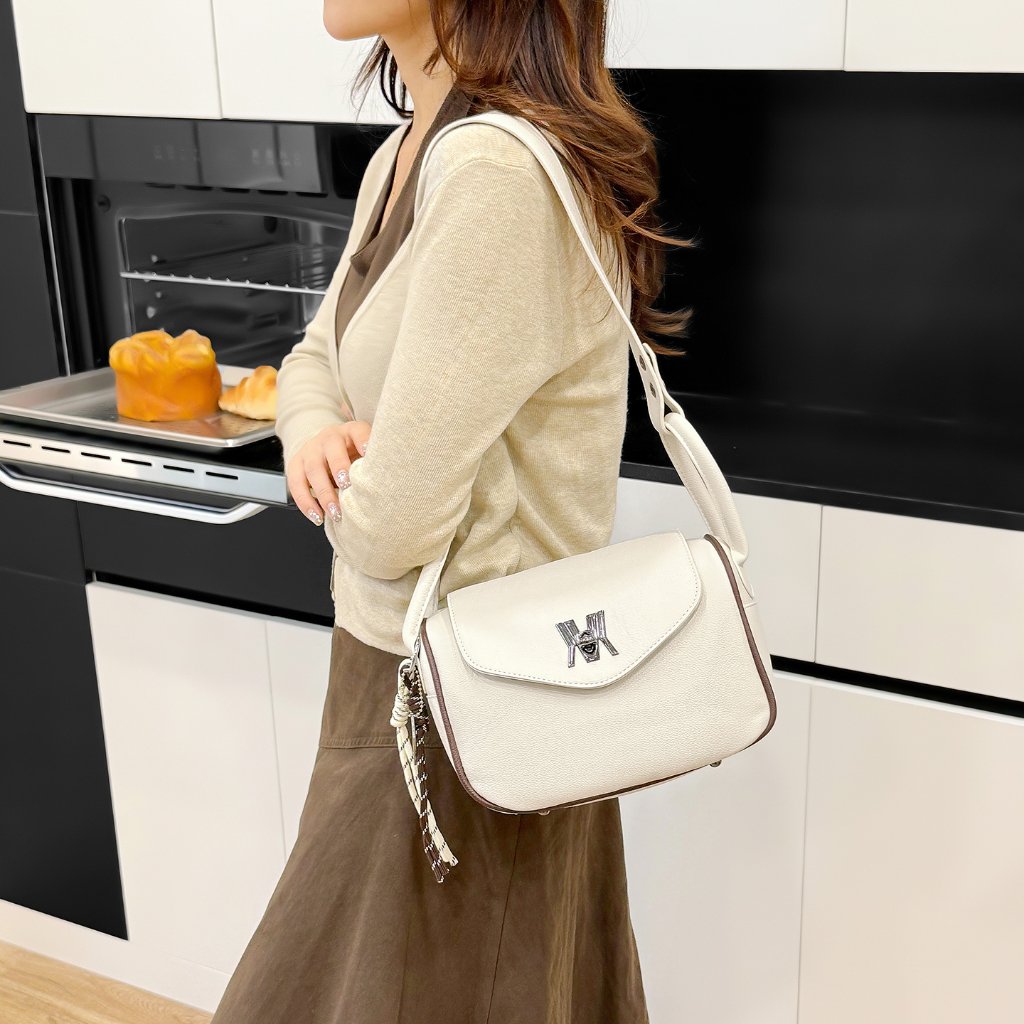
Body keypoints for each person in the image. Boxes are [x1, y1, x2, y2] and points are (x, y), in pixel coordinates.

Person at [210, 1, 694, 1021]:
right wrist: (315, 433)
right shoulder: (408, 156)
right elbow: (312, 358)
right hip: (408, 673)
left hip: (468, 702)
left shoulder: (493, 174)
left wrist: (359, 479)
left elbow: (396, 527)